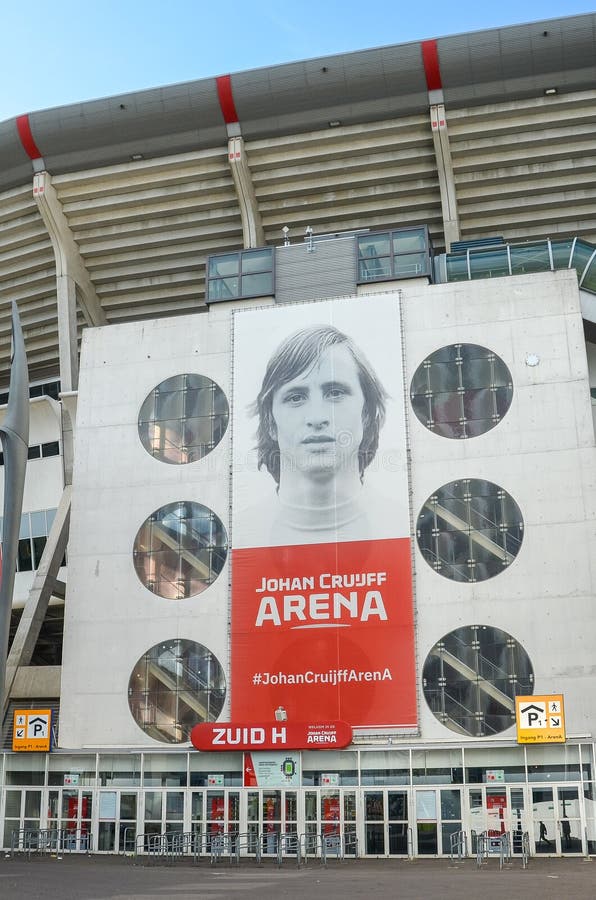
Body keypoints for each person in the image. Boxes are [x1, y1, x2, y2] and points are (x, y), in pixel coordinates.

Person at [248, 323, 389, 545]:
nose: (316, 417)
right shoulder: (244, 535)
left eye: (335, 393)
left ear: (367, 413)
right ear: (270, 422)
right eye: (296, 397)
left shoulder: (399, 526)